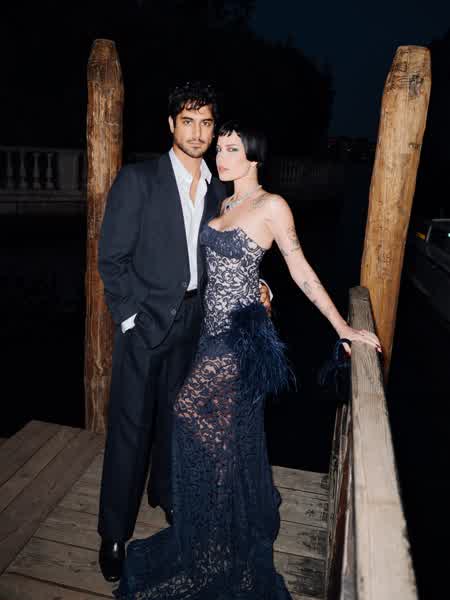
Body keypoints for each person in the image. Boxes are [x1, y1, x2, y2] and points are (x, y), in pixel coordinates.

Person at [111, 122, 381, 599]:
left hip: (237, 341)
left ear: (254, 156)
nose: (221, 156)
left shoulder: (272, 205)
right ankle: (216, 525)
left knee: (188, 415)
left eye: (231, 149)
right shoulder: (224, 202)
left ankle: (213, 539)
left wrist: (342, 326)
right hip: (207, 335)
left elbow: (301, 269)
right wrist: (260, 285)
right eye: (220, 148)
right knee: (222, 437)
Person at [97, 84, 272, 582]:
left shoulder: (220, 190)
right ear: (171, 124)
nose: (197, 133)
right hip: (145, 325)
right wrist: (130, 319)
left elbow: (238, 249)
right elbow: (112, 258)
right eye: (188, 121)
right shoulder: (138, 181)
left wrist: (262, 287)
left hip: (198, 324)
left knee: (181, 422)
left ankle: (168, 494)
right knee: (131, 428)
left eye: (206, 123)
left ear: (214, 130)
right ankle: (114, 532)